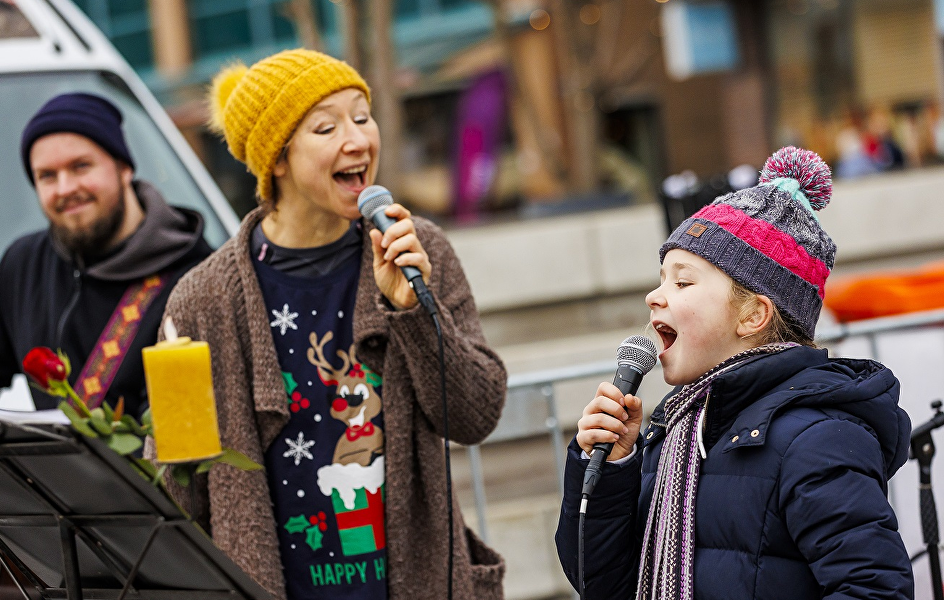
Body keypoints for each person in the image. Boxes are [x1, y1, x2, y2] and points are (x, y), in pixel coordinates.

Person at [155, 49, 507, 600]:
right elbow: (182, 499)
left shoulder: (419, 247)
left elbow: (475, 415)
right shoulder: (203, 300)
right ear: (276, 159)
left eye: (362, 117)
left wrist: (413, 313)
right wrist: (176, 422)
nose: (358, 140)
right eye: (326, 127)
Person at [555, 147, 913, 599]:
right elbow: (602, 583)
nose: (654, 296)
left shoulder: (815, 440)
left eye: (682, 282)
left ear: (751, 316)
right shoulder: (677, 431)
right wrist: (610, 468)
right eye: (660, 278)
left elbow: (875, 589)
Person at [0, 92, 212, 418]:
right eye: (47, 176)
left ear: (123, 168)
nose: (65, 188)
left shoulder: (199, 276)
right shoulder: (23, 266)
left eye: (81, 166)